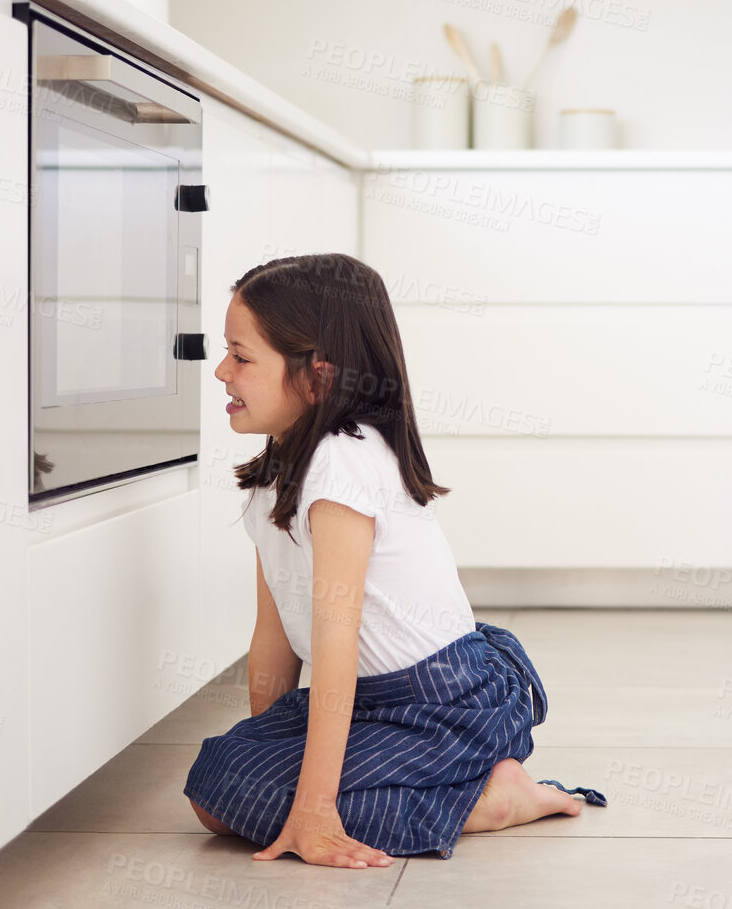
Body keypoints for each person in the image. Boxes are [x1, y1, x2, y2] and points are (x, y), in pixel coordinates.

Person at [183, 253, 606, 867]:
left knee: (228, 795)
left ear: (316, 378)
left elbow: (334, 644)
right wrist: (268, 742)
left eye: (241, 356)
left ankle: (490, 797)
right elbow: (273, 634)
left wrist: (314, 807)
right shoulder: (274, 471)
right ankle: (462, 786)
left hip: (441, 702)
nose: (221, 370)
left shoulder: (340, 462)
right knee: (221, 779)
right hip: (372, 700)